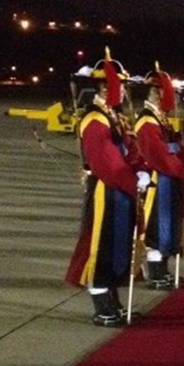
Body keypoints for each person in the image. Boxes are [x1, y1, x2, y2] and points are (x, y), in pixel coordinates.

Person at [65, 54, 145, 325]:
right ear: (104, 88)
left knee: (117, 245)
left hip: (120, 191)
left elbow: (130, 149)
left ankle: (113, 302)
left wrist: (141, 168)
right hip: (105, 191)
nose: (123, 91)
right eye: (119, 86)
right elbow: (107, 164)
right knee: (101, 246)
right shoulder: (95, 120)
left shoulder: (114, 116)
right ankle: (102, 304)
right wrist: (134, 181)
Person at [133, 65, 184, 290]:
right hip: (159, 178)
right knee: (157, 226)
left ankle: (162, 269)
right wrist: (181, 167)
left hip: (169, 176)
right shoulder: (148, 121)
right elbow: (158, 155)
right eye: (162, 92)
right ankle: (155, 272)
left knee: (169, 224)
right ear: (153, 94)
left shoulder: (160, 118)